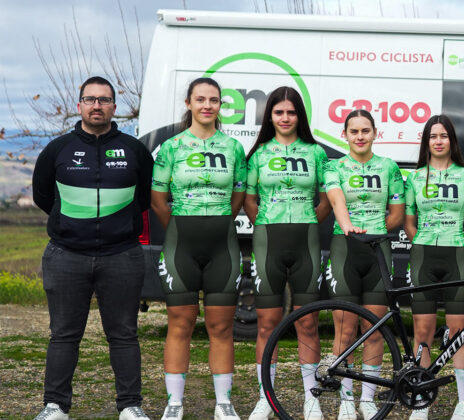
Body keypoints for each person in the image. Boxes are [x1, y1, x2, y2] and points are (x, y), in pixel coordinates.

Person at [32, 76, 153, 420]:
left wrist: (118, 224)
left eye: (104, 100)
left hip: (122, 254)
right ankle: (55, 406)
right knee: (63, 335)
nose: (97, 105)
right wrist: (72, 223)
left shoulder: (134, 150)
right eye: (90, 99)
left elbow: (144, 197)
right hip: (66, 254)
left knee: (124, 334)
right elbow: (43, 195)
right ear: (80, 105)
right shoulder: (57, 149)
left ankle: (130, 406)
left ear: (114, 107)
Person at [150, 77, 246, 420]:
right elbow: (158, 200)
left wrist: (216, 222)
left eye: (214, 100)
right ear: (188, 103)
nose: (207, 105)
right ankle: (174, 404)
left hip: (222, 245)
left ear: (221, 105)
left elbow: (238, 196)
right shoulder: (171, 147)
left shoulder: (233, 148)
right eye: (201, 99)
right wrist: (180, 228)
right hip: (182, 245)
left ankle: (224, 404)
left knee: (221, 328)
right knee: (180, 324)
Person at [245, 86, 331, 420]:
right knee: (267, 324)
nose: (285, 118)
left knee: (307, 323)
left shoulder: (315, 153)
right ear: (270, 116)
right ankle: (265, 397)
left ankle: (312, 398)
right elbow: (249, 200)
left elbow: (326, 200)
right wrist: (267, 224)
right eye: (278, 112)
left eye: (291, 112)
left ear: (300, 116)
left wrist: (308, 222)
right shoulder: (259, 154)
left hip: (305, 242)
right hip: (268, 241)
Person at [323, 109, 405, 420]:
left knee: (374, 328)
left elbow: (396, 213)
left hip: (378, 249)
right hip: (345, 247)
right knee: (344, 329)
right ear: (344, 135)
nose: (360, 136)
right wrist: (349, 227)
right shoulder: (334, 166)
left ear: (375, 133)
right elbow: (336, 199)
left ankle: (367, 398)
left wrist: (373, 231)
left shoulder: (389, 167)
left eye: (365, 130)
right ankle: (346, 400)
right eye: (354, 131)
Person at [404, 115, 464, 420]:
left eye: (444, 136)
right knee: (422, 329)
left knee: (459, 331)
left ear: (452, 141)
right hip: (424, 255)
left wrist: (462, 244)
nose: (438, 141)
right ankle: (422, 398)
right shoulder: (414, 177)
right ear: (426, 142)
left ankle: (463, 402)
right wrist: (421, 242)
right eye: (433, 136)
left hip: (456, 256)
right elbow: (409, 222)